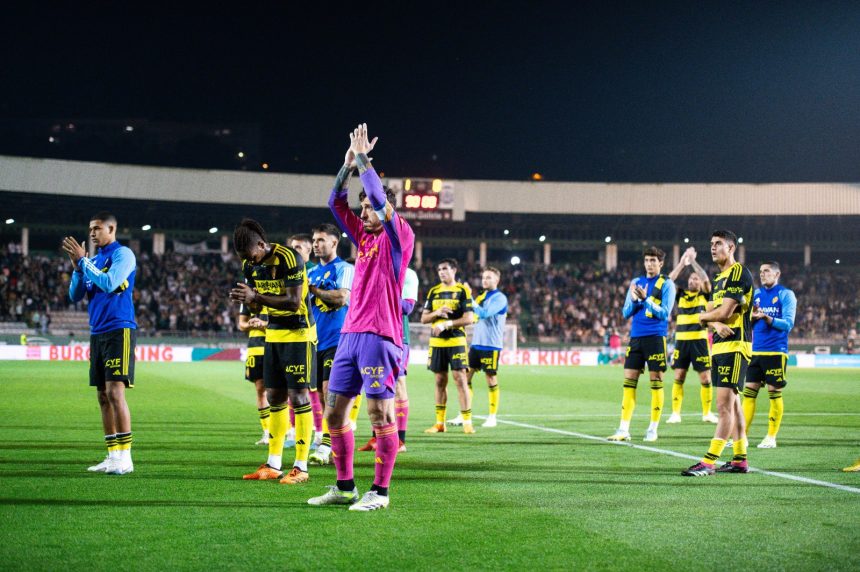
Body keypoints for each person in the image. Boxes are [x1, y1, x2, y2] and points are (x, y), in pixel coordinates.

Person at [307, 123, 414, 511]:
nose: (363, 210)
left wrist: (365, 159)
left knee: (378, 412)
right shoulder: (363, 239)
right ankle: (345, 485)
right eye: (363, 206)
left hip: (380, 336)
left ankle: (380, 492)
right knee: (334, 413)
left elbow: (375, 195)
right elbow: (334, 203)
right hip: (350, 336)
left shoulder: (399, 235)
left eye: (370, 206)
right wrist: (347, 165)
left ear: (387, 209)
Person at [231, 219, 317, 485]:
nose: (251, 262)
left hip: (299, 333)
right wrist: (247, 301)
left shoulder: (289, 258)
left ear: (261, 244)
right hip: (274, 334)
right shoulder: (250, 265)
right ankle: (273, 464)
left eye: (252, 256)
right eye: (246, 259)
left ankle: (301, 466)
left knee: (299, 396)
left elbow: (293, 303)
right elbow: (258, 306)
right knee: (274, 395)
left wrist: (255, 297)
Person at [63, 212, 137, 475]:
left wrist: (84, 262)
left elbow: (109, 283)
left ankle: (126, 458)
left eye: (97, 228)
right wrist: (77, 267)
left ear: (112, 228)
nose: (92, 233)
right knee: (102, 396)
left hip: (120, 329)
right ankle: (113, 455)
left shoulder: (123, 255)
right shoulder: (91, 261)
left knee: (116, 392)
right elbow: (74, 295)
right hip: (98, 333)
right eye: (90, 229)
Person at [682, 229, 754, 476]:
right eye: (711, 243)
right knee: (733, 406)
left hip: (736, 346)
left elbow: (720, 313)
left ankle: (709, 461)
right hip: (720, 347)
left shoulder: (738, 273)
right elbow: (717, 315)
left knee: (723, 405)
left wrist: (703, 317)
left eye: (718, 243)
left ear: (731, 247)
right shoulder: (720, 279)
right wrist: (713, 321)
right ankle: (739, 459)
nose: (713, 247)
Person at [608, 246, 676, 442]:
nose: (649, 264)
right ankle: (623, 429)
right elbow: (625, 312)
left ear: (661, 263)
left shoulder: (666, 284)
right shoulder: (636, 282)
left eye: (653, 261)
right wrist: (636, 301)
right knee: (629, 382)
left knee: (656, 381)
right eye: (647, 260)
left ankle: (653, 428)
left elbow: (664, 313)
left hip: (656, 337)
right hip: (636, 338)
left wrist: (646, 300)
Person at [307, 223, 354, 465]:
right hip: (315, 341)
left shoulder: (344, 269)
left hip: (338, 340)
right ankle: (333, 440)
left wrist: (313, 291)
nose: (316, 244)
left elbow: (342, 297)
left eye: (321, 240)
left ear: (334, 243)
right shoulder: (310, 272)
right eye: (314, 240)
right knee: (322, 397)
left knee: (330, 392)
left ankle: (326, 446)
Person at [358, 265, 418, 453]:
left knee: (398, 385)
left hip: (398, 336)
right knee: (375, 384)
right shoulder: (374, 269)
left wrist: (376, 295)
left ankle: (400, 441)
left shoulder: (407, 273)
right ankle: (377, 438)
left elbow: (407, 307)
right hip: (373, 335)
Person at [743, 261, 797, 449]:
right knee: (749, 394)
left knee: (774, 393)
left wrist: (767, 317)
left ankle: (771, 437)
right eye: (760, 272)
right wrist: (752, 317)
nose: (762, 274)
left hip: (776, 351)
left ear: (777, 274)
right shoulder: (756, 295)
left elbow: (788, 324)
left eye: (766, 271)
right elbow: (746, 322)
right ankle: (742, 436)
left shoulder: (786, 294)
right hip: (754, 351)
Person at [421, 258, 475, 434]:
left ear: (454, 270)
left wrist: (446, 324)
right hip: (437, 343)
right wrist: (437, 312)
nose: (441, 272)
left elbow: (469, 318)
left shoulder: (462, 291)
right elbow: (424, 318)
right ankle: (439, 423)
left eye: (445, 269)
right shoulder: (434, 292)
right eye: (439, 269)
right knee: (439, 381)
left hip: (456, 341)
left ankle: (467, 421)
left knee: (460, 379)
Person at [666, 247, 718, 424]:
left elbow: (705, 278)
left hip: (699, 342)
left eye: (695, 278)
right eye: (690, 278)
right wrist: (682, 263)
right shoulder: (680, 295)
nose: (693, 280)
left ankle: (707, 413)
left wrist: (693, 261)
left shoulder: (704, 295)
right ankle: (675, 413)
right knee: (679, 376)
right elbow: (667, 282)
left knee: (705, 377)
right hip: (681, 342)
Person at [467, 266, 507, 428]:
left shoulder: (500, 298)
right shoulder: (482, 296)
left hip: (491, 345)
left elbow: (484, 313)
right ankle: (465, 414)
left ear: (496, 280)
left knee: (490, 378)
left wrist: (469, 297)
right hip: (476, 343)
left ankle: (492, 416)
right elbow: (475, 315)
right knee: (465, 378)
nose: (485, 280)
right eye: (484, 277)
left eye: (489, 277)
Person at [237, 298, 271, 445]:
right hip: (254, 349)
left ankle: (288, 430)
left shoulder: (276, 294)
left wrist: (264, 324)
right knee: (260, 390)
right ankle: (267, 432)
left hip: (273, 346)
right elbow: (241, 324)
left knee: (280, 391)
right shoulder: (247, 299)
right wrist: (251, 324)